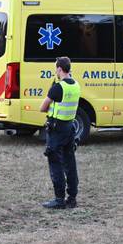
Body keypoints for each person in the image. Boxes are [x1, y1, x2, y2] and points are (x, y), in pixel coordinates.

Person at [39, 56, 80, 209]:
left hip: (56, 130)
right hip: (70, 128)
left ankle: (59, 199)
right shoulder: (76, 85)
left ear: (59, 69)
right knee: (70, 163)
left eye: (56, 68)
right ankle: (72, 197)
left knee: (55, 163)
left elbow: (42, 107)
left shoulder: (58, 87)